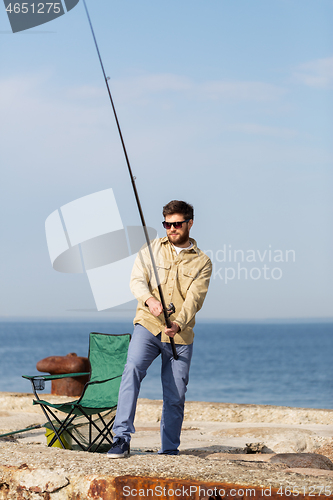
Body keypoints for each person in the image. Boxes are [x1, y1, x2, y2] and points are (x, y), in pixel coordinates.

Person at [107, 200, 212, 458]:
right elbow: (136, 280)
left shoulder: (203, 262)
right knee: (131, 370)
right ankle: (121, 438)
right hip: (148, 324)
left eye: (177, 224)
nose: (171, 229)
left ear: (189, 223)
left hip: (180, 334)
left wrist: (178, 323)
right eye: (167, 224)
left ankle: (168, 450)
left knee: (175, 394)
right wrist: (150, 300)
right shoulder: (151, 248)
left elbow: (195, 299)